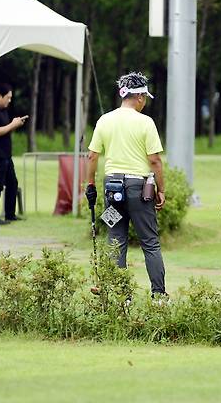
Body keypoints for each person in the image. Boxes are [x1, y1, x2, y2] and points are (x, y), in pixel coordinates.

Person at [85, 72, 167, 295]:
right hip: (139, 188)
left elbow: (92, 156)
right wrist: (162, 190)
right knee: (149, 242)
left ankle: (122, 296)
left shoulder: (104, 120)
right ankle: (158, 295)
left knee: (115, 239)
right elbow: (154, 160)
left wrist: (90, 185)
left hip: (112, 188)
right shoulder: (145, 122)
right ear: (139, 96)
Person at [0, 83, 28, 225]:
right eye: (8, 97)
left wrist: (15, 124)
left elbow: (5, 129)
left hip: (6, 155)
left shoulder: (4, 111)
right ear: (0, 96)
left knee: (12, 183)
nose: (9, 101)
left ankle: (10, 214)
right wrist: (12, 125)